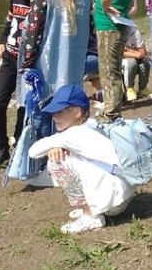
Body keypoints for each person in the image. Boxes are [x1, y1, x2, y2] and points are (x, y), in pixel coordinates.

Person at [28, 84, 135, 234]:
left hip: (113, 204)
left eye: (60, 112)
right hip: (124, 194)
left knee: (57, 162)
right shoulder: (93, 124)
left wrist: (53, 147)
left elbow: (33, 151)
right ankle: (94, 205)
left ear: (77, 112)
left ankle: (90, 216)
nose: (54, 117)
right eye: (53, 113)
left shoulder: (72, 134)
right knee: (74, 158)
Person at [18, 0, 93, 103]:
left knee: (45, 109)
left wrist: (26, 64)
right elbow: (91, 30)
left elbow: (33, 32)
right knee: (69, 107)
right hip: (75, 65)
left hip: (47, 67)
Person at [0, 0, 39, 168]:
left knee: (24, 104)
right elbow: (9, 23)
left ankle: (19, 141)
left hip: (29, 61)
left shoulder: (39, 3)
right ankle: (1, 148)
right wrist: (1, 41)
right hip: (10, 58)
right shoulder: (14, 0)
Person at [94, 0, 136, 123]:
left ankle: (110, 114)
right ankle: (111, 109)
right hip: (118, 25)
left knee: (108, 71)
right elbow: (129, 2)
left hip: (109, 26)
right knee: (114, 68)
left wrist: (104, 7)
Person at [121, 23, 151, 101]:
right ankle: (129, 89)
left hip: (134, 57)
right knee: (131, 62)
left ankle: (143, 89)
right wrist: (137, 54)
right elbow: (119, 53)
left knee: (145, 63)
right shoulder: (114, 32)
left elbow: (143, 53)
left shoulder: (134, 31)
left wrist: (128, 50)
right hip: (118, 61)